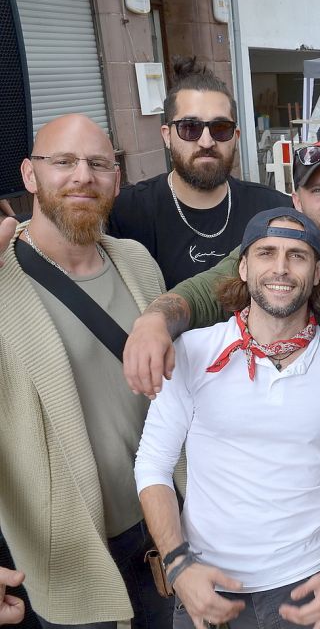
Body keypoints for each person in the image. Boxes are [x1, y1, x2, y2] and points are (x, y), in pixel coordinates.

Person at [122, 141, 320, 629]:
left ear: (316, 273)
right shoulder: (193, 352)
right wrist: (178, 563)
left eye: (296, 256)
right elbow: (153, 463)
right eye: (266, 253)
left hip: (308, 572)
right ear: (243, 265)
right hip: (208, 577)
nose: (280, 267)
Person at [0, 114, 169, 627]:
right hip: (68, 551)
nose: (83, 177)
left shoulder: (136, 261)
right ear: (30, 175)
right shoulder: (1, 275)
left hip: (162, 528)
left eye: (99, 163)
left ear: (116, 178)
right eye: (64, 162)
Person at [107, 56, 288, 289]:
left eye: (220, 128)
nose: (206, 141)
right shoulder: (125, 212)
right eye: (189, 127)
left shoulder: (270, 208)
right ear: (166, 136)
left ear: (236, 137)